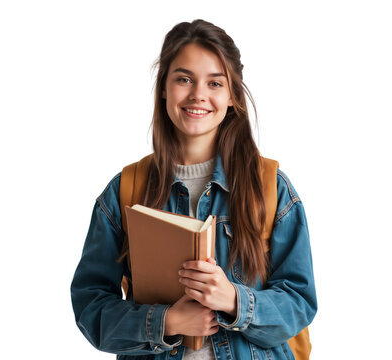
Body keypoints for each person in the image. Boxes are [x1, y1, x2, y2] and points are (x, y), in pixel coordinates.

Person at [71, 19, 317, 359]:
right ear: (164, 88)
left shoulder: (270, 186)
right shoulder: (124, 190)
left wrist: (233, 300)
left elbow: (300, 303)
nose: (198, 94)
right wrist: (167, 321)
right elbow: (90, 307)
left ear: (232, 95)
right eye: (184, 79)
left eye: (215, 82)